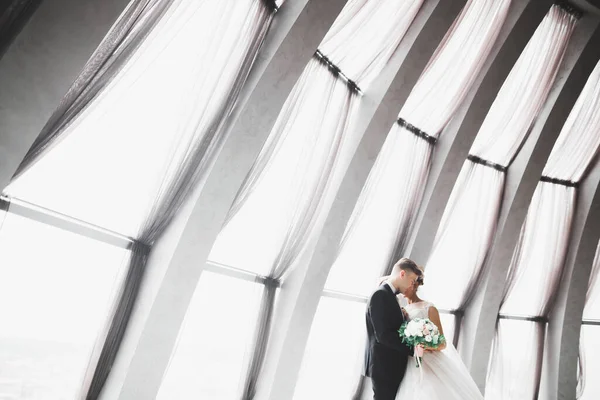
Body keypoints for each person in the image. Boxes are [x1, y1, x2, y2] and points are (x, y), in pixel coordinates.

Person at [383, 267, 484, 400]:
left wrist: (424, 345)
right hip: (409, 362)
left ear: (412, 285)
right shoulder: (402, 310)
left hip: (430, 364)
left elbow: (442, 343)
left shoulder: (429, 308)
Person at [364, 258, 424, 400]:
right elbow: (383, 335)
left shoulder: (389, 295)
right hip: (384, 366)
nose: (412, 285)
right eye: (412, 280)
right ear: (402, 274)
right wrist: (413, 349)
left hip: (390, 365)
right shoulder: (380, 294)